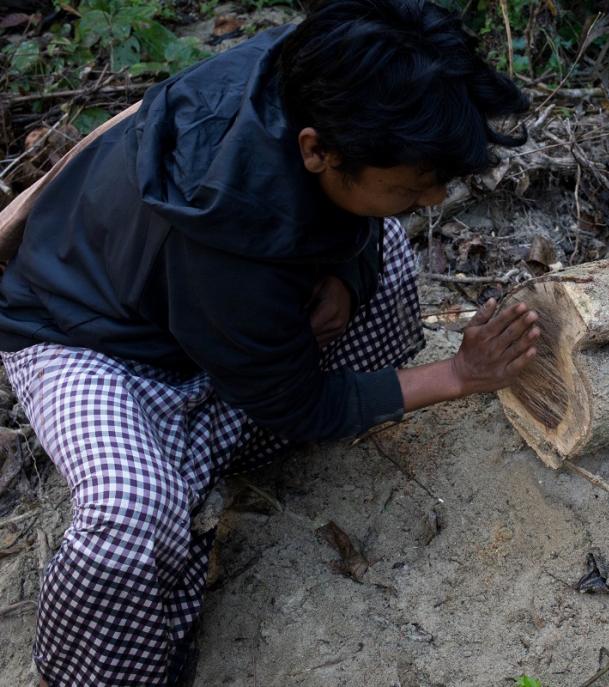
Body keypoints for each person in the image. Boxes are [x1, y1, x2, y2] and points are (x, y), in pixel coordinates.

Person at [0, 1, 540, 684]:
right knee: (130, 508)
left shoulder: (321, 64)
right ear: (316, 150)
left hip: (190, 301)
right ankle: (95, 672)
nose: (429, 200)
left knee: (390, 258)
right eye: (408, 188)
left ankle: (205, 447)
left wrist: (345, 269)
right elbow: (299, 403)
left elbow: (355, 231)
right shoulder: (228, 230)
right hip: (80, 335)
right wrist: (458, 375)